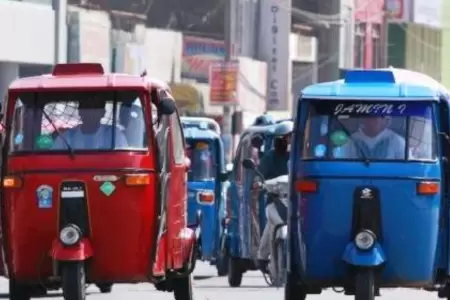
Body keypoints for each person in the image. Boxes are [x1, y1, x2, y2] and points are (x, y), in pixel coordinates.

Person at [256, 121, 293, 271]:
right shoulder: (270, 157)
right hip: (275, 200)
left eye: (293, 136)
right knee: (273, 221)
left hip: (296, 200)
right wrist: (259, 183)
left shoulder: (300, 154)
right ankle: (263, 256)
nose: (291, 140)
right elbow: (260, 175)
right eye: (288, 137)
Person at [52, 101, 128, 150]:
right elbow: (53, 162)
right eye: (86, 109)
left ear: (103, 113)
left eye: (95, 109)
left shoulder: (114, 136)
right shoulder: (66, 138)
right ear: (79, 112)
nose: (91, 113)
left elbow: (124, 161)